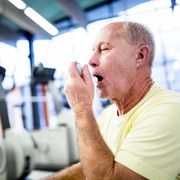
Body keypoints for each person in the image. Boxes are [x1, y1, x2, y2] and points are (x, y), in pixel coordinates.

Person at [43, 21, 180, 179]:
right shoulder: (108, 116)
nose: (91, 60)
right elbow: (94, 166)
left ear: (140, 55)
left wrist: (81, 108)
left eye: (103, 49)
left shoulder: (170, 111)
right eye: (93, 51)